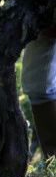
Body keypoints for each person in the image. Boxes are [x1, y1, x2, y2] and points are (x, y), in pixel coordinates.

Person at [21, 27, 56, 158]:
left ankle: (51, 166)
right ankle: (51, 166)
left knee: (39, 87)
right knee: (36, 85)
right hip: (40, 22)